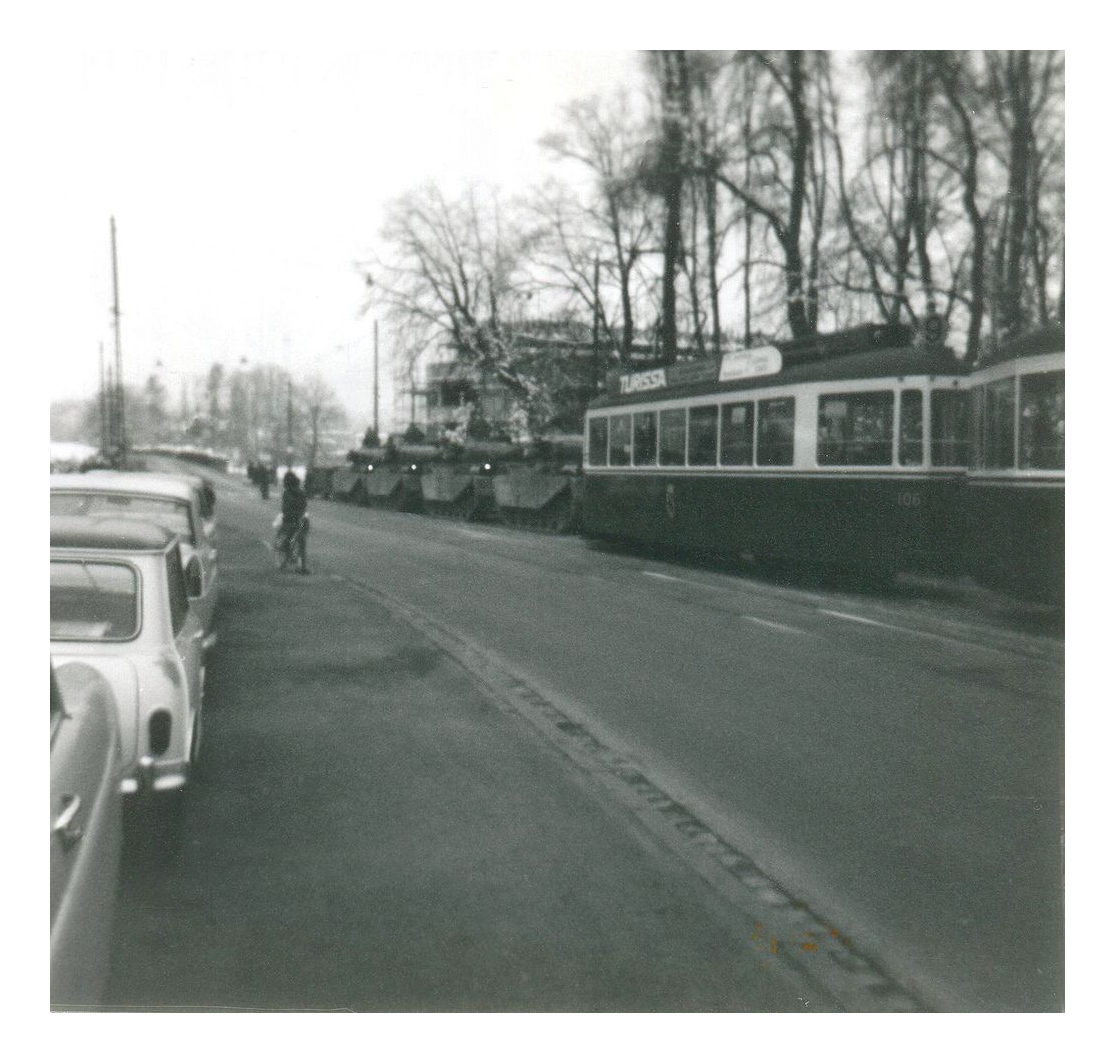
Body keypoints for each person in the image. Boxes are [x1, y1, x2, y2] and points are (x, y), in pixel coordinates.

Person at [277, 470, 309, 573]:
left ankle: (286, 556)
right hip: (300, 519)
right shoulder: (301, 492)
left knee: (289, 539)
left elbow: (285, 508)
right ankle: (303, 567)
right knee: (302, 542)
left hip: (290, 519)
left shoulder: (287, 492)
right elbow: (304, 506)